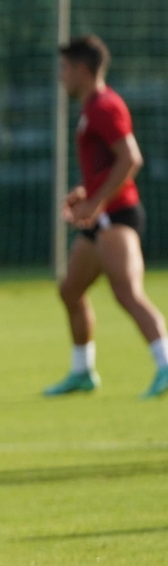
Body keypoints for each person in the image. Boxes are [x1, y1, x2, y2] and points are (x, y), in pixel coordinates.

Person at [45, 34, 168, 399]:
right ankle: (83, 372)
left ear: (83, 69)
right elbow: (108, 165)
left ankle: (165, 364)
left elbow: (131, 158)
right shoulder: (91, 108)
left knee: (128, 292)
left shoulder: (104, 106)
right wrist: (87, 193)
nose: (61, 76)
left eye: (65, 68)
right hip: (102, 217)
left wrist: (97, 201)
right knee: (70, 291)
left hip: (116, 216)